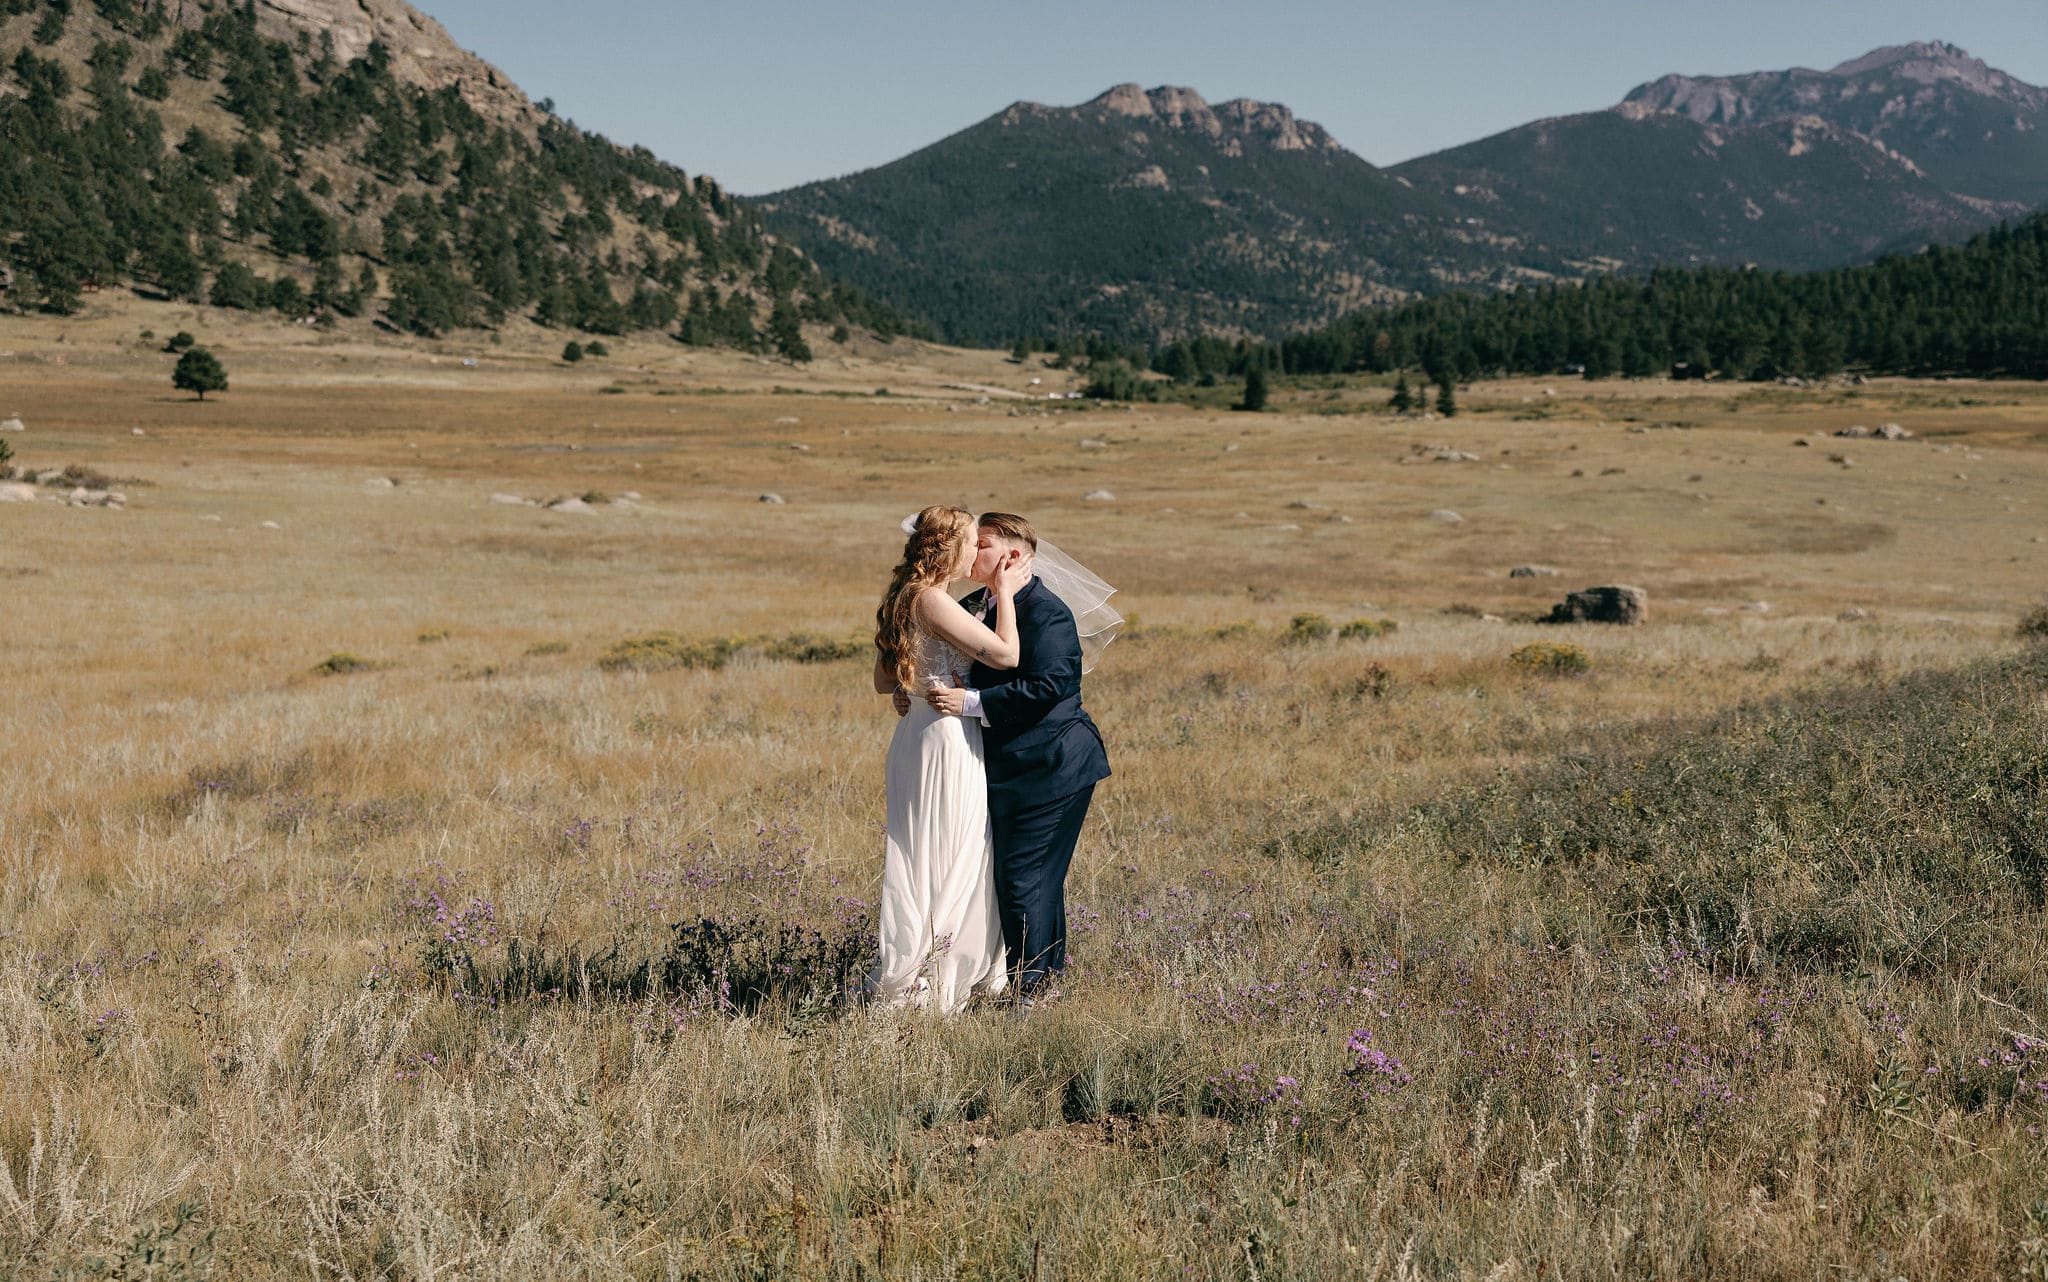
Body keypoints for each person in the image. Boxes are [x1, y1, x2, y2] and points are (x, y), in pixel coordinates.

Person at [920, 512, 1111, 1009]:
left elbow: (1050, 687)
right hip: (1004, 768)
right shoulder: (973, 604)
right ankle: (1040, 984)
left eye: (979, 544)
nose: (968, 551)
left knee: (1025, 877)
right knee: (1027, 877)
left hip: (1052, 765)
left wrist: (971, 704)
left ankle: (1031, 994)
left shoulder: (1048, 613)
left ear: (1012, 557)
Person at [869, 505, 1031, 1011]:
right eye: (969, 542)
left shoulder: (904, 597)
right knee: (949, 853)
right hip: (945, 741)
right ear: (947, 548)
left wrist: (913, 689)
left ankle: (925, 971)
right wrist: (1004, 595)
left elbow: (881, 681)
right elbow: (1006, 656)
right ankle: (932, 982)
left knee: (925, 854)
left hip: (918, 733)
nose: (975, 551)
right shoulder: (935, 601)